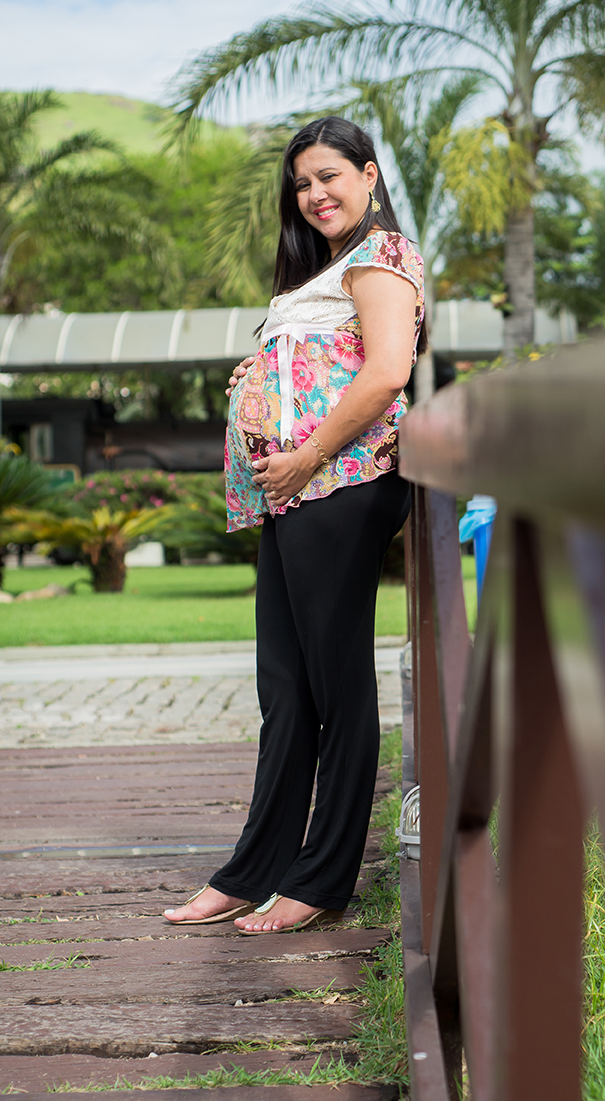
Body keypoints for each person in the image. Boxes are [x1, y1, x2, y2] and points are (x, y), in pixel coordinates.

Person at [164, 117, 422, 934]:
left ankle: (323, 879)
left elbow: (386, 372)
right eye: (302, 184)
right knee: (284, 687)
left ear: (370, 176)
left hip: (341, 484)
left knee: (337, 686)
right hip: (293, 491)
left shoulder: (383, 257)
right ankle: (256, 868)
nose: (314, 195)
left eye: (329, 177)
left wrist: (307, 452)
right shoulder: (319, 274)